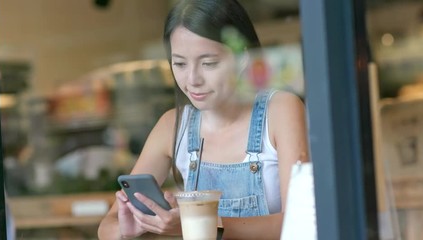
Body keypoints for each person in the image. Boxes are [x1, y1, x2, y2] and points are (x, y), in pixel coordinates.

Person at [97, 0, 309, 239]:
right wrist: (127, 230)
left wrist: (199, 223)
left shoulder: (281, 111)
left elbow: (298, 222)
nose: (193, 79)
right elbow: (108, 226)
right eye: (179, 64)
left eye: (208, 63)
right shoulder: (173, 126)